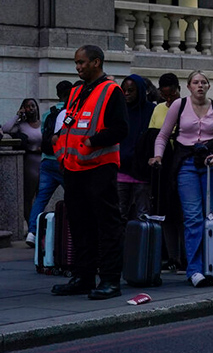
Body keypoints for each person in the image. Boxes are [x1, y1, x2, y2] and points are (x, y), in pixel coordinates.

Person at [51, 45, 128, 300]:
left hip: (100, 168)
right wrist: (60, 148)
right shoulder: (75, 91)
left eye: (82, 62)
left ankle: (109, 280)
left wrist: (91, 142)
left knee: (107, 225)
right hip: (73, 169)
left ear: (96, 62)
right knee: (80, 224)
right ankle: (83, 277)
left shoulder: (111, 91)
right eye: (76, 63)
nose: (78, 67)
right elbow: (69, 125)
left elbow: (120, 130)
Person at [150, 71, 213, 288]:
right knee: (192, 216)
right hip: (186, 163)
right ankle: (194, 269)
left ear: (208, 86)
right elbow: (163, 135)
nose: (200, 86)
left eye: (204, 82)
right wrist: (158, 155)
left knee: (208, 216)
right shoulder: (179, 105)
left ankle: (210, 264)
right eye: (195, 82)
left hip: (212, 166)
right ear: (188, 86)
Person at [24, 81, 73, 247]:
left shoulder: (47, 114)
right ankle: (72, 231)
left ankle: (32, 232)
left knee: (41, 199)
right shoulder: (70, 112)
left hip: (46, 161)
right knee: (75, 196)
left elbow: (44, 136)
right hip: (63, 161)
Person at [147, 73, 186, 273]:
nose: (169, 99)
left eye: (172, 94)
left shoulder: (188, 107)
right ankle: (173, 257)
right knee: (167, 214)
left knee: (184, 213)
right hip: (165, 166)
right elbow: (154, 135)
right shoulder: (158, 109)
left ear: (179, 89)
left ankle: (187, 255)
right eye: (165, 95)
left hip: (183, 163)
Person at [117, 75, 156, 224]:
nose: (126, 94)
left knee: (143, 215)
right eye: (124, 90)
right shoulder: (119, 110)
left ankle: (141, 246)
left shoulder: (151, 110)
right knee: (119, 214)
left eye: (130, 90)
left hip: (142, 172)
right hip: (121, 171)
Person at [2, 98, 43, 228]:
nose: (30, 109)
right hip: (29, 162)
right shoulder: (21, 126)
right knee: (29, 196)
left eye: (33, 106)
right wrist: (17, 115)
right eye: (27, 107)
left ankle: (41, 225)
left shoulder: (43, 123)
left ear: (37, 107)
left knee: (41, 196)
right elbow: (5, 129)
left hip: (43, 162)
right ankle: (31, 226)